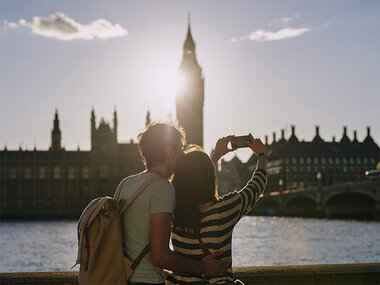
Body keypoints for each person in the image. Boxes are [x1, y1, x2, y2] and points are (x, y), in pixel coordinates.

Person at [118, 121, 229, 284]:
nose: (184, 155)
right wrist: (203, 268)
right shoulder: (162, 188)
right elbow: (160, 257)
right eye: (180, 149)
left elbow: (196, 183)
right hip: (147, 281)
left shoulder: (127, 183)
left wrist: (215, 158)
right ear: (170, 152)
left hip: (122, 278)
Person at [166, 134, 268, 284]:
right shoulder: (225, 209)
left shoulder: (172, 210)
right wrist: (262, 155)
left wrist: (215, 156)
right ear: (211, 177)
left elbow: (193, 179)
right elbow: (256, 186)